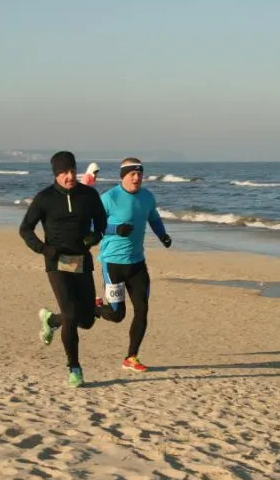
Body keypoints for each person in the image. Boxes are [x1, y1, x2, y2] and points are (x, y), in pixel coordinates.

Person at [19, 151, 107, 388]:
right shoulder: (44, 198)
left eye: (72, 171)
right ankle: (74, 368)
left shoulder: (89, 195)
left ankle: (51, 320)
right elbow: (25, 229)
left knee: (86, 320)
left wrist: (95, 236)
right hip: (56, 262)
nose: (70, 176)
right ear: (56, 174)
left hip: (81, 260)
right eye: (64, 172)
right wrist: (43, 249)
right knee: (70, 314)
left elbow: (101, 222)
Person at [95, 157, 172, 373]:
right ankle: (96, 308)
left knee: (142, 310)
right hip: (113, 264)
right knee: (117, 315)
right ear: (123, 176)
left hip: (137, 263)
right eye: (132, 174)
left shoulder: (147, 197)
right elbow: (93, 225)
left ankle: (131, 357)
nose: (137, 178)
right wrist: (115, 229)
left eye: (139, 174)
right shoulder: (109, 198)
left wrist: (163, 236)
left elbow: (154, 219)